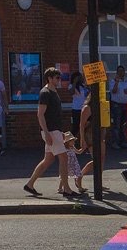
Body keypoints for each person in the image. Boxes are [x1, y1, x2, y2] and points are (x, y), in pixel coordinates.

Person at [23, 67, 76, 197]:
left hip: (55, 130)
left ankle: (29, 185)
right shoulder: (45, 93)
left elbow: (55, 114)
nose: (59, 80)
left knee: (48, 159)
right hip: (50, 131)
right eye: (56, 78)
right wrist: (46, 133)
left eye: (59, 77)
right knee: (64, 157)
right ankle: (67, 190)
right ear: (49, 78)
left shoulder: (54, 92)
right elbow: (40, 114)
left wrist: (60, 131)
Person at [78, 92, 107, 184]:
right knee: (96, 159)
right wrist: (82, 139)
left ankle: (99, 182)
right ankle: (80, 176)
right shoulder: (87, 108)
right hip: (90, 135)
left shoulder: (101, 107)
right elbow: (82, 125)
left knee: (101, 158)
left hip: (100, 134)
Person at [109, 65, 127, 149]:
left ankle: (123, 142)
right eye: (119, 71)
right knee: (116, 124)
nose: (121, 73)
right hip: (117, 105)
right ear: (117, 72)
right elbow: (114, 91)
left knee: (124, 125)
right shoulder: (113, 81)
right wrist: (116, 82)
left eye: (122, 71)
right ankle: (115, 142)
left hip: (126, 105)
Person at [69, 71, 88, 136]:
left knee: (86, 126)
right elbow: (71, 92)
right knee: (76, 127)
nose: (81, 79)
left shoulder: (83, 86)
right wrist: (75, 82)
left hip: (84, 108)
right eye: (79, 77)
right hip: (76, 109)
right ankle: (70, 143)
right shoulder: (71, 86)